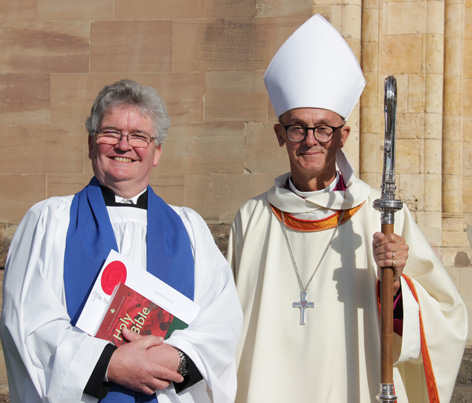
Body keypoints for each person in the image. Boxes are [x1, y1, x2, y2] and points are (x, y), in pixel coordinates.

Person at [227, 14, 467, 403]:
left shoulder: (380, 216)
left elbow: (447, 319)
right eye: (297, 128)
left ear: (343, 136)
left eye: (323, 128)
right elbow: (226, 324)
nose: (310, 140)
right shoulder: (252, 219)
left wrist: (396, 284)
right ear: (279, 135)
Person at [0, 79, 243, 403]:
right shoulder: (50, 221)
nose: (124, 145)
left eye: (139, 136)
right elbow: (28, 322)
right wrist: (108, 365)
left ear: (157, 152)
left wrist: (173, 359)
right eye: (111, 133)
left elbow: (221, 323)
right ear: (90, 143)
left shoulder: (189, 229)